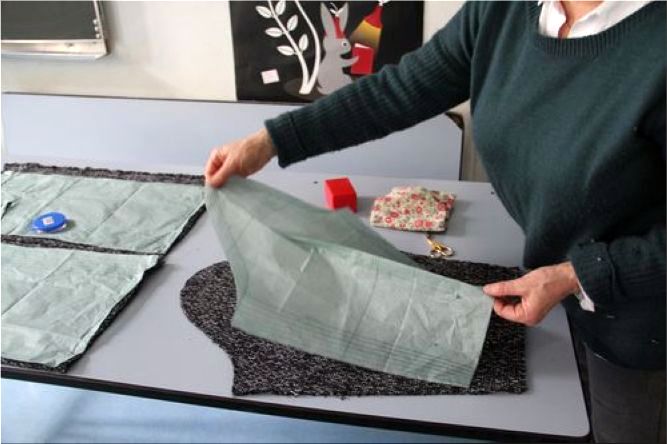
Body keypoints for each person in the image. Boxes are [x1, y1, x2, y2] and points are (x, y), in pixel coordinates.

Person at [205, 1, 665, 442]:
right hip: (546, 274)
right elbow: (399, 90)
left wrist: (577, 276)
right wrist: (272, 140)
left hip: (640, 318)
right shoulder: (504, 9)